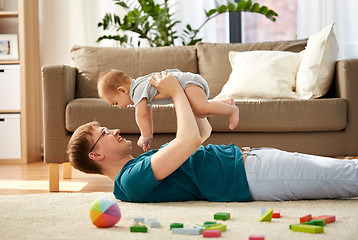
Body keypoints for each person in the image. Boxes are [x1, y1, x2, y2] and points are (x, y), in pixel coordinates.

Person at [67, 72, 358, 203]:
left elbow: (201, 134)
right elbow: (189, 140)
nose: (115, 130)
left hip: (250, 161)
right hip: (250, 176)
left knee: (343, 171)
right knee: (348, 176)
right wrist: (176, 90)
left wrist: (196, 106)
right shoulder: (130, 181)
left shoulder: (142, 162)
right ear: (96, 155)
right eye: (104, 133)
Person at [97, 69, 239, 152]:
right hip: (187, 83)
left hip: (188, 83)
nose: (120, 107)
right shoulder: (141, 87)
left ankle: (231, 110)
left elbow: (141, 115)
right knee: (197, 111)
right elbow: (148, 113)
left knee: (202, 109)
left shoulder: (137, 91)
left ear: (122, 90)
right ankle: (225, 103)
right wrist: (149, 134)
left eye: (116, 103)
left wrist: (144, 136)